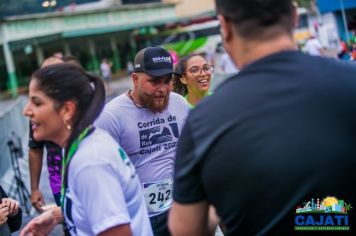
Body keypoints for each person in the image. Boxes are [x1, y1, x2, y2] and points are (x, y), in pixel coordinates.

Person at [169, 0, 356, 235]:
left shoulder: (203, 120)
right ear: (295, 16)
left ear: (225, 28)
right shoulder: (351, 81)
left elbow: (185, 229)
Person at [21, 63, 152, 236]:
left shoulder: (90, 162)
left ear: (67, 110)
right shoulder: (83, 144)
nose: (26, 111)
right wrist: (56, 216)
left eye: (36, 102)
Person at [95, 46, 189, 235]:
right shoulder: (111, 115)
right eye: (154, 82)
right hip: (139, 214)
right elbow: (101, 171)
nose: (163, 89)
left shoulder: (179, 103)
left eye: (167, 81)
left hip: (179, 205)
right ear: (135, 79)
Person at [28, 56, 82, 213]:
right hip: (59, 182)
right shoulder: (38, 109)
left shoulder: (85, 104)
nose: (28, 111)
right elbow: (35, 148)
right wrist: (34, 188)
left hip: (83, 177)